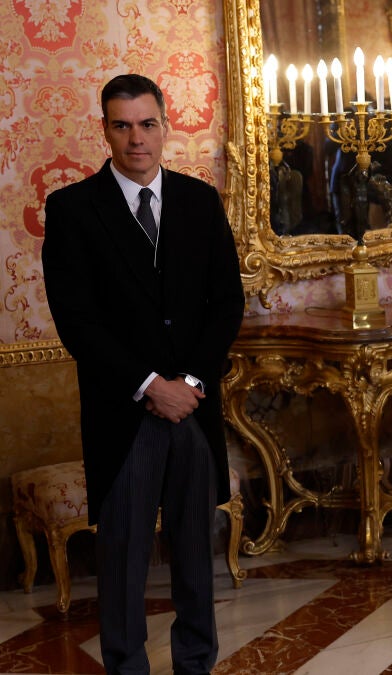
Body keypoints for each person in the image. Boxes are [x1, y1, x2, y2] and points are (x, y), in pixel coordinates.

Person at [41, 74, 244, 674]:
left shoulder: (200, 201)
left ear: (165, 125)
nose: (137, 139)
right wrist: (152, 386)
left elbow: (225, 304)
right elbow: (77, 321)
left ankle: (196, 664)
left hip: (194, 409)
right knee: (124, 557)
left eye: (147, 124)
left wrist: (193, 385)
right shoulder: (73, 209)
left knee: (194, 553)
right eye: (123, 125)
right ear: (105, 130)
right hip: (124, 412)